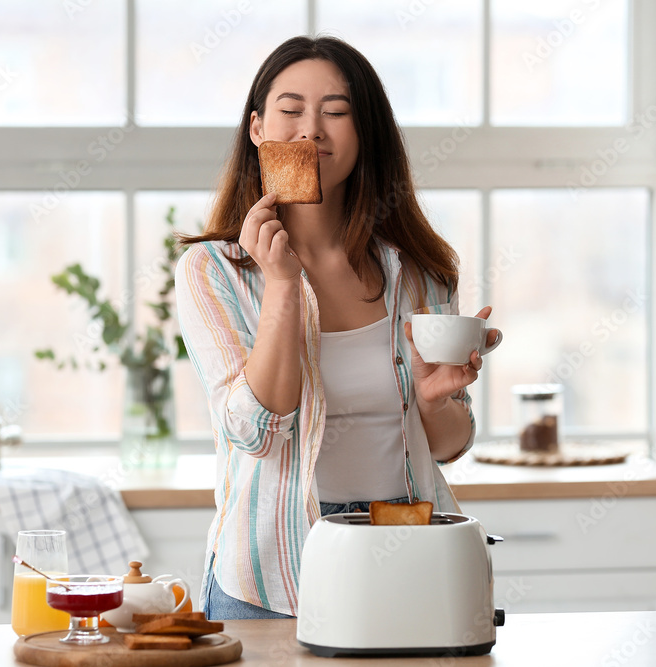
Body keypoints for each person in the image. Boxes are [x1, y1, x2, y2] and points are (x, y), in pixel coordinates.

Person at [174, 35, 500, 620]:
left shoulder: (420, 269)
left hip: (408, 554)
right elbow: (256, 435)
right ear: (257, 129)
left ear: (365, 131)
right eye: (291, 110)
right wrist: (280, 285)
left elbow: (450, 445)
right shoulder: (213, 270)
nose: (312, 131)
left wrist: (434, 400)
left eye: (337, 112)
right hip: (273, 573)